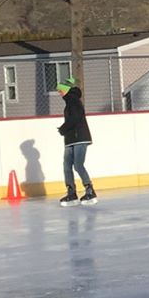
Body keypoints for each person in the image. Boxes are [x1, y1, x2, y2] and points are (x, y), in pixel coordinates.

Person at [56, 76, 96, 206]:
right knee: (67, 166)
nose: (59, 92)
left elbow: (75, 118)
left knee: (78, 165)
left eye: (60, 90)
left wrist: (63, 128)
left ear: (66, 89)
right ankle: (71, 192)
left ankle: (90, 190)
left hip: (80, 138)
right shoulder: (69, 102)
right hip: (70, 139)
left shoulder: (74, 101)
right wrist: (65, 130)